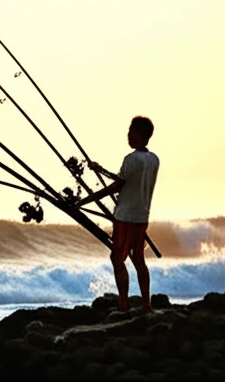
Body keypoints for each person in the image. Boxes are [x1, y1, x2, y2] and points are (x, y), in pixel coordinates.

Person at [75, 116, 159, 311]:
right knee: (139, 259)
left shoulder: (131, 159)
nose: (128, 136)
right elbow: (126, 180)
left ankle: (123, 304)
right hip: (142, 216)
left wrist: (86, 200)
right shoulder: (153, 160)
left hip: (125, 216)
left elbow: (117, 185)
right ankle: (147, 304)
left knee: (117, 258)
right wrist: (100, 170)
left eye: (131, 132)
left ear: (140, 135)